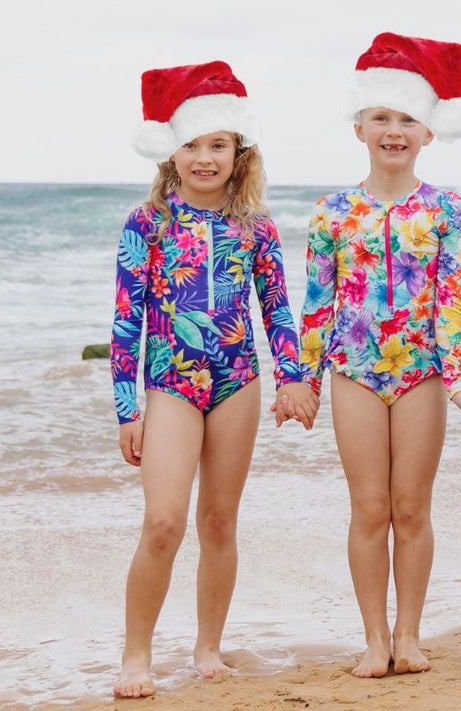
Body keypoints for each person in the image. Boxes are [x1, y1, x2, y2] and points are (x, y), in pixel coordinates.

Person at [110, 60, 316, 698]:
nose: (205, 158)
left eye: (217, 145)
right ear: (171, 151)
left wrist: (295, 377)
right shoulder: (147, 224)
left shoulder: (255, 227)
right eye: (193, 144)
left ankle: (207, 648)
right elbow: (125, 321)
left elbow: (277, 308)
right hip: (171, 384)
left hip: (237, 382)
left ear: (238, 152)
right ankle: (136, 656)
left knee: (220, 520)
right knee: (164, 521)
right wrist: (127, 409)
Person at [296, 32, 461, 678]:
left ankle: (410, 634)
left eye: (408, 118)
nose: (394, 130)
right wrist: (304, 380)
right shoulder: (331, 213)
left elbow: (452, 301)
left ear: (429, 132)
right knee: (370, 507)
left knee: (411, 506)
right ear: (360, 127)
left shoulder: (445, 210)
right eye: (381, 117)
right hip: (352, 370)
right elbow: (317, 304)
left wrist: (457, 381)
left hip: (422, 374)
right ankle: (373, 637)